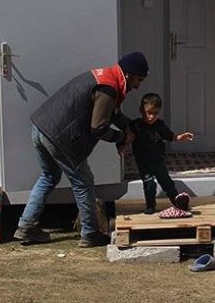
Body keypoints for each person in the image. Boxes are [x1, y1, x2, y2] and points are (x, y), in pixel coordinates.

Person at [14, 52, 149, 248]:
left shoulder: (105, 76)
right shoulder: (109, 87)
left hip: (40, 128)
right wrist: (121, 138)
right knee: (83, 182)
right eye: (139, 80)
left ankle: (26, 226)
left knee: (48, 177)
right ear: (128, 74)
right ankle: (90, 233)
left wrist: (129, 127)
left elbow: (111, 112)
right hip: (58, 137)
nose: (138, 86)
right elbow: (98, 127)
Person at [128, 93, 195, 214]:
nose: (151, 117)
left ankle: (177, 202)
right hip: (143, 162)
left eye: (155, 113)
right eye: (149, 113)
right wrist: (122, 147)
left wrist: (181, 137)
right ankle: (150, 205)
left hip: (158, 160)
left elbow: (170, 136)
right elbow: (128, 138)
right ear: (141, 110)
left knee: (166, 182)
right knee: (149, 184)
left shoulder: (159, 125)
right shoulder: (136, 125)